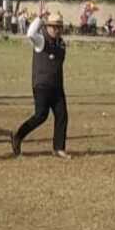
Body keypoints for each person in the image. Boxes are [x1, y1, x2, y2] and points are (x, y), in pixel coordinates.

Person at [12, 10, 70, 159]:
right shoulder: (41, 40)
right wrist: (39, 18)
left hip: (57, 86)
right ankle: (18, 136)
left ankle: (59, 148)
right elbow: (30, 33)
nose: (56, 30)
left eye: (59, 27)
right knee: (40, 116)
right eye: (53, 26)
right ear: (47, 27)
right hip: (42, 85)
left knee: (62, 115)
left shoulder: (61, 43)